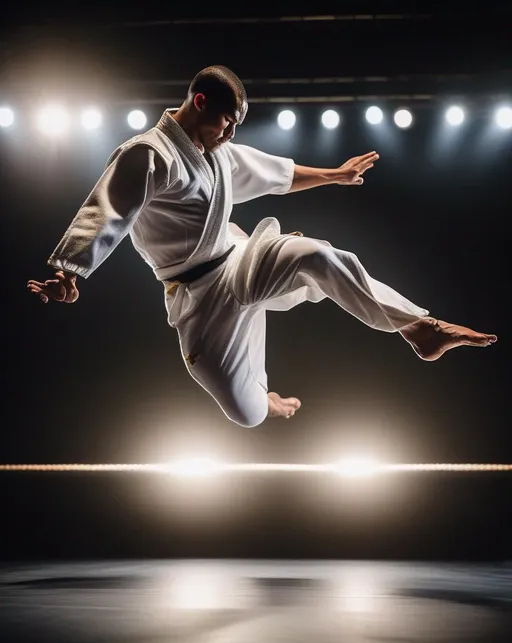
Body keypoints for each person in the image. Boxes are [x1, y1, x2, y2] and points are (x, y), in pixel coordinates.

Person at [27, 65, 497, 427]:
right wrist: (70, 271)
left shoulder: (219, 153)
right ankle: (263, 398)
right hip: (199, 298)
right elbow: (108, 209)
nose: (230, 133)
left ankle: (420, 329)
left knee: (319, 255)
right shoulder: (149, 154)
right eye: (226, 121)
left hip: (239, 259)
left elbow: (278, 174)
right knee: (245, 414)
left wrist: (335, 175)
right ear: (199, 100)